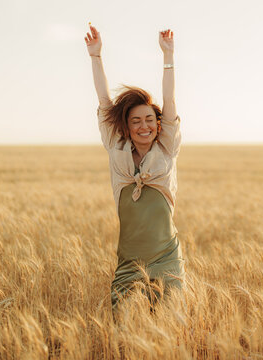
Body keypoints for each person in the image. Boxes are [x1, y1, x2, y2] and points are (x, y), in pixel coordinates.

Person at [84, 24, 185, 319]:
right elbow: (105, 103)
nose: (144, 126)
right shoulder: (117, 151)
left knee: (171, 329)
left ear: (158, 123)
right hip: (128, 261)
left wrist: (168, 56)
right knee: (122, 330)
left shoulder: (166, 148)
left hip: (167, 258)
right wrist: (95, 56)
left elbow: (169, 103)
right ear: (126, 127)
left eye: (149, 120)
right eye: (136, 121)